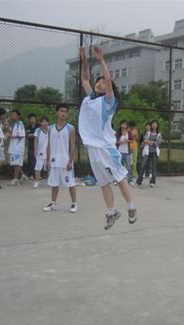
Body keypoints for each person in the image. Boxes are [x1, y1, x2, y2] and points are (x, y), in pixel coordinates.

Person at [79, 46, 136, 229]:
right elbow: (85, 79)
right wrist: (85, 61)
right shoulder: (91, 98)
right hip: (92, 148)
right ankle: (111, 212)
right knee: (103, 183)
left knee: (119, 178)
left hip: (105, 147)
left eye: (103, 83)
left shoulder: (109, 102)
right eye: (99, 82)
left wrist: (102, 60)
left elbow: (109, 80)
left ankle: (131, 207)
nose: (100, 83)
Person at [43, 104, 77, 213]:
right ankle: (53, 203)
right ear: (57, 112)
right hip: (53, 160)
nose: (63, 113)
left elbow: (72, 146)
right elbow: (48, 145)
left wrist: (70, 161)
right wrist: (47, 160)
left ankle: (74, 204)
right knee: (54, 183)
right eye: (61, 111)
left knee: (70, 183)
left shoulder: (70, 128)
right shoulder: (50, 128)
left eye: (65, 111)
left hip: (65, 160)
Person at [136, 120, 162, 187]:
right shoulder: (148, 132)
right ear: (151, 125)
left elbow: (157, 143)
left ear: (157, 125)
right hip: (147, 152)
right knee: (143, 166)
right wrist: (152, 142)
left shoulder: (159, 134)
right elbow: (145, 140)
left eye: (155, 124)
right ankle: (139, 181)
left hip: (154, 153)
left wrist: (149, 142)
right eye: (153, 124)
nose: (154, 125)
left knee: (154, 168)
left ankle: (152, 182)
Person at [7, 110, 26, 186]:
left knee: (17, 164)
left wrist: (11, 136)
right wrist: (7, 127)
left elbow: (21, 135)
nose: (12, 116)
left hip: (18, 147)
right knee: (16, 163)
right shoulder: (14, 124)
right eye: (12, 115)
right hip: (14, 147)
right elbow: (11, 133)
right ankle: (23, 176)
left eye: (14, 115)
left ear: (18, 116)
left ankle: (15, 179)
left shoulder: (20, 124)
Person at [33, 117, 49, 188]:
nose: (44, 123)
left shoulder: (50, 130)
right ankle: (36, 182)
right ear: (41, 123)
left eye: (46, 122)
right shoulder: (38, 130)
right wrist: (35, 150)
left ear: (48, 123)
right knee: (38, 167)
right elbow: (35, 141)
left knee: (49, 167)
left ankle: (50, 182)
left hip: (48, 152)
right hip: (40, 152)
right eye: (43, 122)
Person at [116, 120, 134, 185]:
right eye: (123, 124)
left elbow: (132, 140)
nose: (124, 125)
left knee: (129, 166)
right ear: (121, 125)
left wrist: (127, 141)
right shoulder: (118, 133)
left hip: (127, 152)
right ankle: (117, 180)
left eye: (125, 124)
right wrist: (119, 142)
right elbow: (114, 141)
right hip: (119, 151)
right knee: (118, 166)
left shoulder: (128, 132)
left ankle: (130, 180)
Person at [25, 113, 39, 180]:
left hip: (39, 146)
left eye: (33, 118)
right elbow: (28, 135)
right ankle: (30, 174)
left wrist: (33, 135)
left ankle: (37, 175)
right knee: (31, 160)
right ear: (29, 120)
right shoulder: (27, 127)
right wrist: (36, 134)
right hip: (31, 146)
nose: (32, 120)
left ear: (35, 119)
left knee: (38, 161)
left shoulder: (39, 126)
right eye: (31, 119)